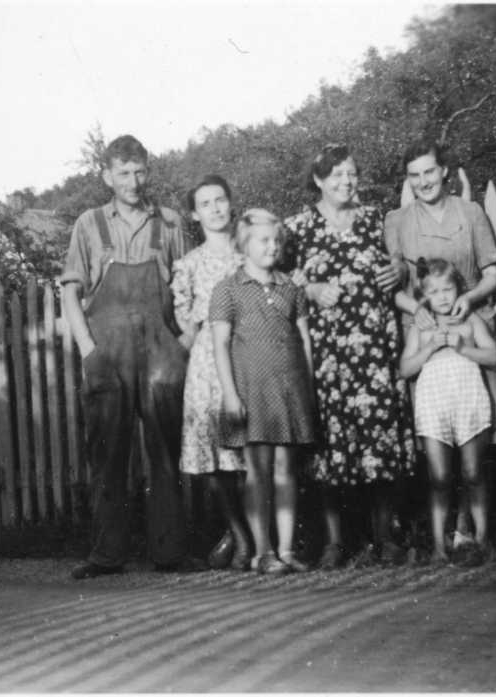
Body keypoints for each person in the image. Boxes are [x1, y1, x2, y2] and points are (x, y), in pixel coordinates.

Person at [60, 135, 201, 579]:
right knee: (107, 453)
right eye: (123, 172)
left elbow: (191, 289)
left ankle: (170, 552)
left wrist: (182, 346)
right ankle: (107, 555)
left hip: (162, 350)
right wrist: (89, 352)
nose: (133, 181)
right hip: (108, 352)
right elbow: (70, 290)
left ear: (148, 170)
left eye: (139, 171)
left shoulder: (172, 224)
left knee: (165, 450)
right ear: (107, 176)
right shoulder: (89, 224)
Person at [283, 144, 413, 569]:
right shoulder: (298, 227)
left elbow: (400, 261)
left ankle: (385, 537)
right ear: (318, 180)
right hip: (326, 350)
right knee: (330, 440)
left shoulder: (377, 218)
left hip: (375, 344)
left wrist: (401, 269)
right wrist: (311, 289)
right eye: (335, 175)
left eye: (351, 173)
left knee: (380, 435)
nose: (345, 181)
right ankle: (335, 542)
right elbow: (278, 278)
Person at [384, 139, 496, 558]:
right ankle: (436, 534)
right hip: (422, 334)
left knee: (476, 435)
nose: (423, 181)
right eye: (414, 175)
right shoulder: (396, 220)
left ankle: (469, 530)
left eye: (429, 171)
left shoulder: (470, 212)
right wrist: (417, 309)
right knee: (434, 440)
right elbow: (390, 286)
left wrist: (472, 299)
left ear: (444, 171)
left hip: (469, 328)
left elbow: (493, 271)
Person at [210, 209, 317, 574]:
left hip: (289, 391)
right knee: (258, 470)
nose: (272, 247)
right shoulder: (228, 289)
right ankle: (262, 551)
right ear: (244, 245)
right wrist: (230, 394)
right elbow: (220, 345)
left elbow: (304, 342)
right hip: (251, 392)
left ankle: (286, 550)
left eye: (276, 240)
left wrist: (309, 388)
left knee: (287, 469)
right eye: (263, 240)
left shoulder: (292, 288)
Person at [170, 174, 252, 571]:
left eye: (221, 200)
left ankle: (258, 535)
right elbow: (186, 324)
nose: (216, 209)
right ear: (194, 213)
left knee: (252, 453)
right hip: (207, 365)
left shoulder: (250, 253)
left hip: (249, 356)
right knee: (218, 457)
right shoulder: (188, 265)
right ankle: (238, 534)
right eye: (206, 203)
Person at [398, 258, 496, 563]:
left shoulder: (470, 321)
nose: (443, 296)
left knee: (472, 472)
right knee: (440, 477)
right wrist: (431, 347)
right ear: (424, 296)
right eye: (435, 291)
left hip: (468, 399)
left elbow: (495, 356)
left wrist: (463, 347)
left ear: (458, 289)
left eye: (449, 288)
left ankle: (481, 541)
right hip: (434, 404)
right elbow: (405, 368)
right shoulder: (421, 326)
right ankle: (440, 547)